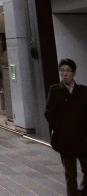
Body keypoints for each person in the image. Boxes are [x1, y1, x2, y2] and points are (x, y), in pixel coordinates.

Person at [45, 58, 87, 196]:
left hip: (83, 138)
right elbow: (49, 113)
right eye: (62, 70)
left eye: (68, 71)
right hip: (65, 139)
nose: (64, 74)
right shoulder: (55, 90)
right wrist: (60, 129)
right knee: (71, 174)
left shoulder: (83, 91)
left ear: (74, 73)